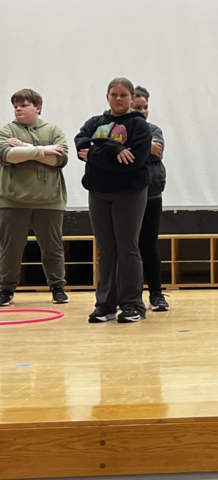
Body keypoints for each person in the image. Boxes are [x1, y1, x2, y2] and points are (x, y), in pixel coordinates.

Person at [76, 78, 153, 324]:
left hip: (129, 192)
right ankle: (105, 305)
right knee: (106, 249)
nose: (118, 98)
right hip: (98, 192)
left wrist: (95, 154)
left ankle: (132, 305)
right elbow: (80, 143)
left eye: (123, 95)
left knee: (127, 248)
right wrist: (115, 148)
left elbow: (132, 162)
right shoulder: (95, 122)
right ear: (107, 96)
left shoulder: (139, 126)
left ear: (131, 98)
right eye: (114, 94)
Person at [0, 89, 70, 306]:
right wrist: (43, 150)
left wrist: (26, 149)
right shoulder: (7, 130)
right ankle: (6, 289)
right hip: (13, 200)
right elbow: (8, 156)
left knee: (52, 247)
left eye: (23, 105)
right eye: (15, 106)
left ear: (38, 108)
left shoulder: (53, 130)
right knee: (10, 248)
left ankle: (57, 287)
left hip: (50, 200)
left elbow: (59, 159)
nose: (18, 109)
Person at [131, 86, 169, 312]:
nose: (143, 111)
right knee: (128, 247)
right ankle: (131, 296)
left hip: (151, 196)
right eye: (138, 108)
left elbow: (156, 152)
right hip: (126, 196)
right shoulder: (118, 130)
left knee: (149, 246)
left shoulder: (154, 129)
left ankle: (156, 294)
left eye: (145, 107)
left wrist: (130, 146)